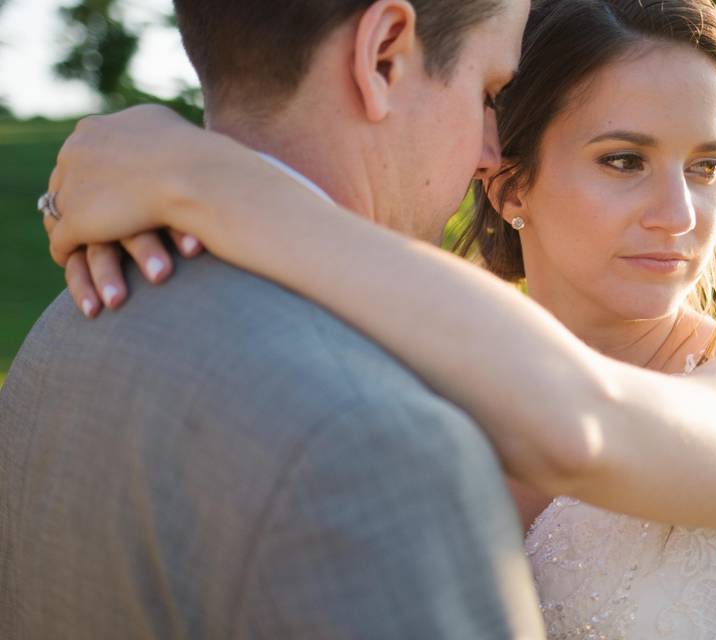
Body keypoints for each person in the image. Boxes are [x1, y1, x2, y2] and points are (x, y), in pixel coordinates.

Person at [40, 0, 716, 638]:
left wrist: (208, 179)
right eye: (624, 160)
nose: (681, 213)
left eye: (709, 166)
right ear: (508, 185)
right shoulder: (382, 376)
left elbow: (584, 422)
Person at [0, 1, 547, 638]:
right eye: (488, 92)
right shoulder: (382, 440)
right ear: (382, 55)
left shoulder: (70, 319)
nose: (491, 153)